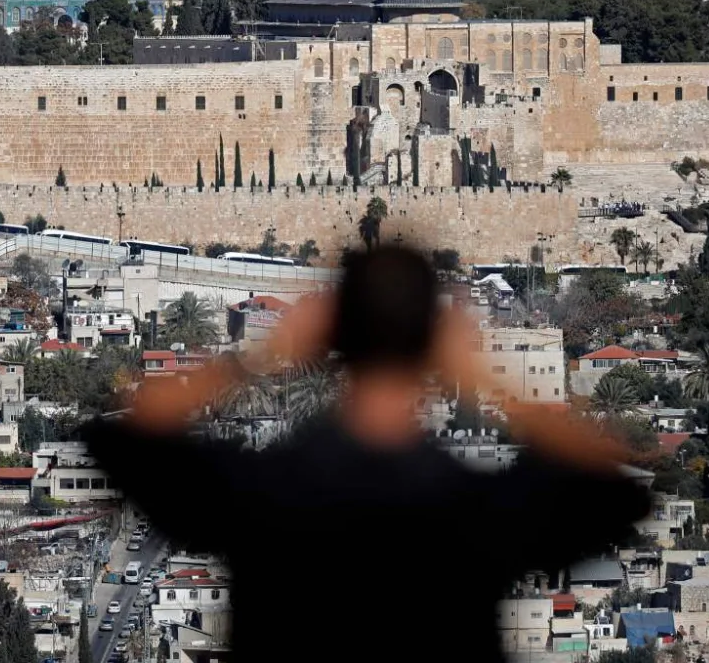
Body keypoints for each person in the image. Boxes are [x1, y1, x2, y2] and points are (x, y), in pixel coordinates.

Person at [83, 246, 650, 662]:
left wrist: (259, 351)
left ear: (335, 335)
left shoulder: (264, 492)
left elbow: (123, 440)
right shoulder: (475, 508)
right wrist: (484, 374)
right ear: (431, 342)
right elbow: (615, 489)